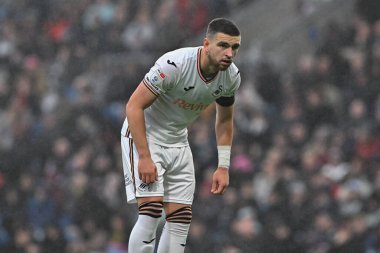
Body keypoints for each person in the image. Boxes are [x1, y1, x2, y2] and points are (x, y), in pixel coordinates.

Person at [120, 17, 242, 253]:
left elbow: (225, 120)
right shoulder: (174, 65)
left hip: (178, 139)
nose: (229, 53)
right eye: (223, 45)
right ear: (206, 44)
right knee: (152, 211)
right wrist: (144, 156)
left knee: (181, 218)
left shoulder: (231, 78)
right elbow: (133, 106)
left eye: (235, 47)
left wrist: (223, 166)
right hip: (146, 135)